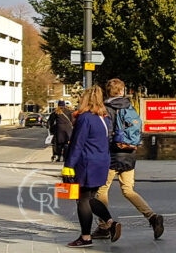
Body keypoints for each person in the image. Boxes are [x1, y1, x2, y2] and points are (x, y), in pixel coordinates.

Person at [93, 79, 164, 240]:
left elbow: (106, 133)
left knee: (102, 190)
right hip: (130, 154)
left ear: (108, 91)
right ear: (121, 91)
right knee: (128, 190)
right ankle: (152, 217)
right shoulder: (129, 106)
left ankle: (104, 226)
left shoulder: (107, 108)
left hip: (113, 154)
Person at [63, 86, 121, 247]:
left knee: (82, 200)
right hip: (102, 162)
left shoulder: (85, 118)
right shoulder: (104, 118)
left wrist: (68, 166)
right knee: (90, 198)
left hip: (86, 163)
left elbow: (77, 144)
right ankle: (110, 222)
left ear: (85, 99)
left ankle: (86, 237)